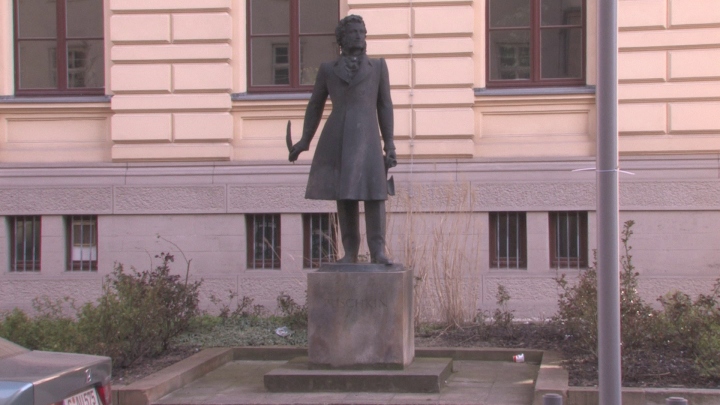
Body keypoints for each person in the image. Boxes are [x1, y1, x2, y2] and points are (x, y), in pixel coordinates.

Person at [289, 14, 396, 265]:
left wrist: (389, 142)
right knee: (345, 194)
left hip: (368, 136)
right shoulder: (328, 69)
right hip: (337, 136)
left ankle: (378, 251)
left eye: (362, 31)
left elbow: (385, 105)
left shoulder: (378, 67)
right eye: (353, 32)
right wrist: (305, 140)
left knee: (374, 193)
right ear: (341, 38)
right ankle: (349, 252)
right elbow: (315, 105)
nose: (359, 35)